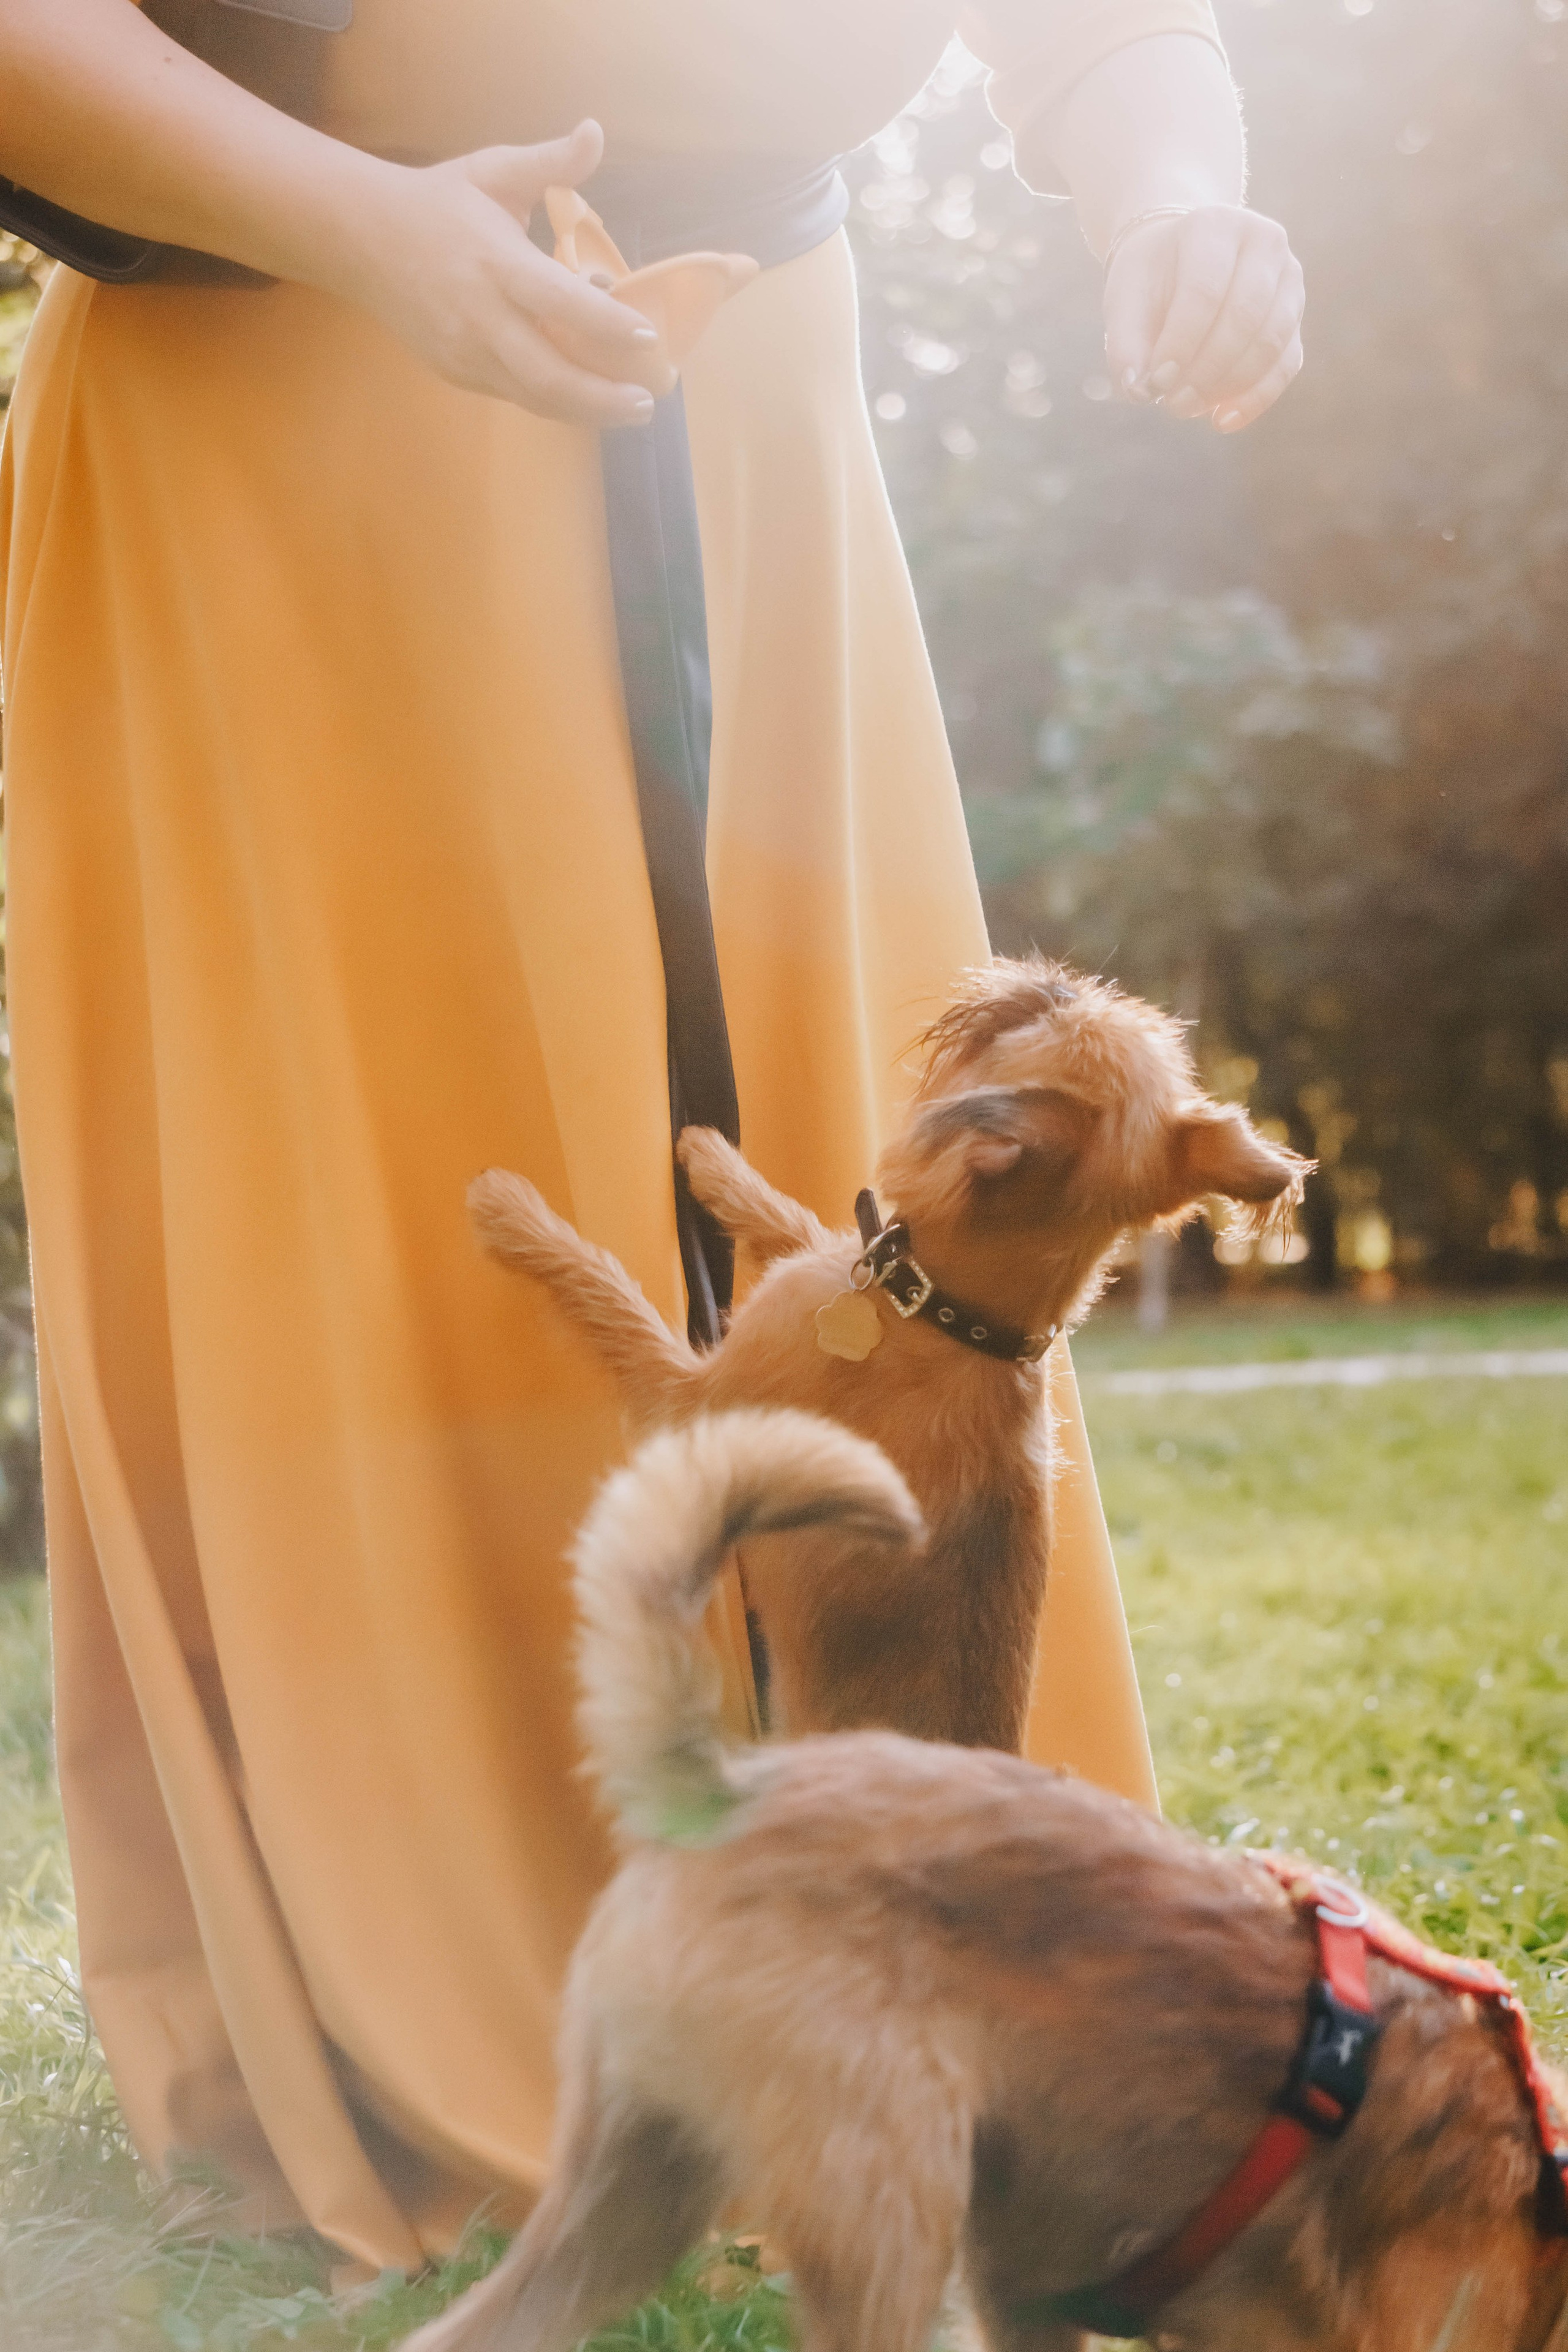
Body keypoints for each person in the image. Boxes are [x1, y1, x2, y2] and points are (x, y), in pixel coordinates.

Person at [0, 0, 1305, 2273]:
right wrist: (360, 229)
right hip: (280, 401)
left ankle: (933, 1943)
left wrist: (1181, 189)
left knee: (860, 1192)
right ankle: (494, 1972)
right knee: (388, 1222)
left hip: (748, 423)